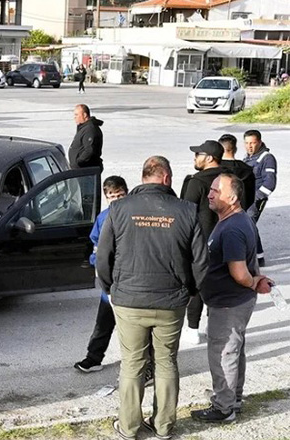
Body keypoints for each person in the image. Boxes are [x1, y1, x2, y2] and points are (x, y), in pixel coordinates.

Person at [97, 156, 208, 440]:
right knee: (166, 362)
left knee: (132, 364)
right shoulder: (187, 210)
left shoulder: (119, 209)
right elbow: (200, 262)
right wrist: (190, 292)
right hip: (171, 302)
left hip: (129, 301)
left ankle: (129, 427)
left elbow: (103, 257)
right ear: (167, 178)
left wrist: (110, 289)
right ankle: (163, 427)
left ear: (144, 176)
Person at [191, 174, 272, 423]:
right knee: (234, 350)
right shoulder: (233, 220)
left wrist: (253, 282)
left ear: (233, 197)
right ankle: (231, 397)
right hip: (231, 300)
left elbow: (239, 272)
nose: (210, 194)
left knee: (223, 352)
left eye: (216, 190)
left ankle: (223, 408)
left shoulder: (234, 227)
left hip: (229, 303)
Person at [75, 175, 155, 386]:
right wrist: (98, 267)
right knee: (104, 322)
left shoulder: (139, 215)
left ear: (127, 193)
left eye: (120, 195)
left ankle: (149, 367)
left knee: (140, 328)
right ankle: (94, 358)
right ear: (106, 197)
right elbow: (96, 248)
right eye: (111, 197)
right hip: (110, 282)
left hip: (134, 281)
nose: (116, 200)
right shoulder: (103, 218)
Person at [179, 140, 223, 345]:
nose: (195, 157)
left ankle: (193, 329)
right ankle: (215, 326)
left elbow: (186, 213)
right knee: (220, 284)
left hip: (201, 241)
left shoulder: (197, 181)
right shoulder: (230, 178)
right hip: (226, 239)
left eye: (198, 154)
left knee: (197, 285)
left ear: (209, 158)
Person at [242, 129, 277, 267]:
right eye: (246, 143)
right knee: (248, 224)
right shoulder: (248, 158)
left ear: (260, 142)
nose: (249, 146)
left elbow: (270, 183)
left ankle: (257, 258)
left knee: (249, 222)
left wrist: (256, 197)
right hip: (246, 198)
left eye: (253, 143)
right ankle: (258, 256)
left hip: (257, 199)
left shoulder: (267, 158)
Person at [218, 134, 255, 211]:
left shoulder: (215, 168)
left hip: (218, 214)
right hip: (239, 212)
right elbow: (251, 196)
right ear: (235, 149)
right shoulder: (247, 169)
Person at [68, 104, 104, 170]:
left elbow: (89, 150)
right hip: (80, 169)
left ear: (84, 115)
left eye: (76, 115)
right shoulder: (84, 128)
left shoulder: (90, 130)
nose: (74, 117)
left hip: (85, 170)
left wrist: (78, 162)